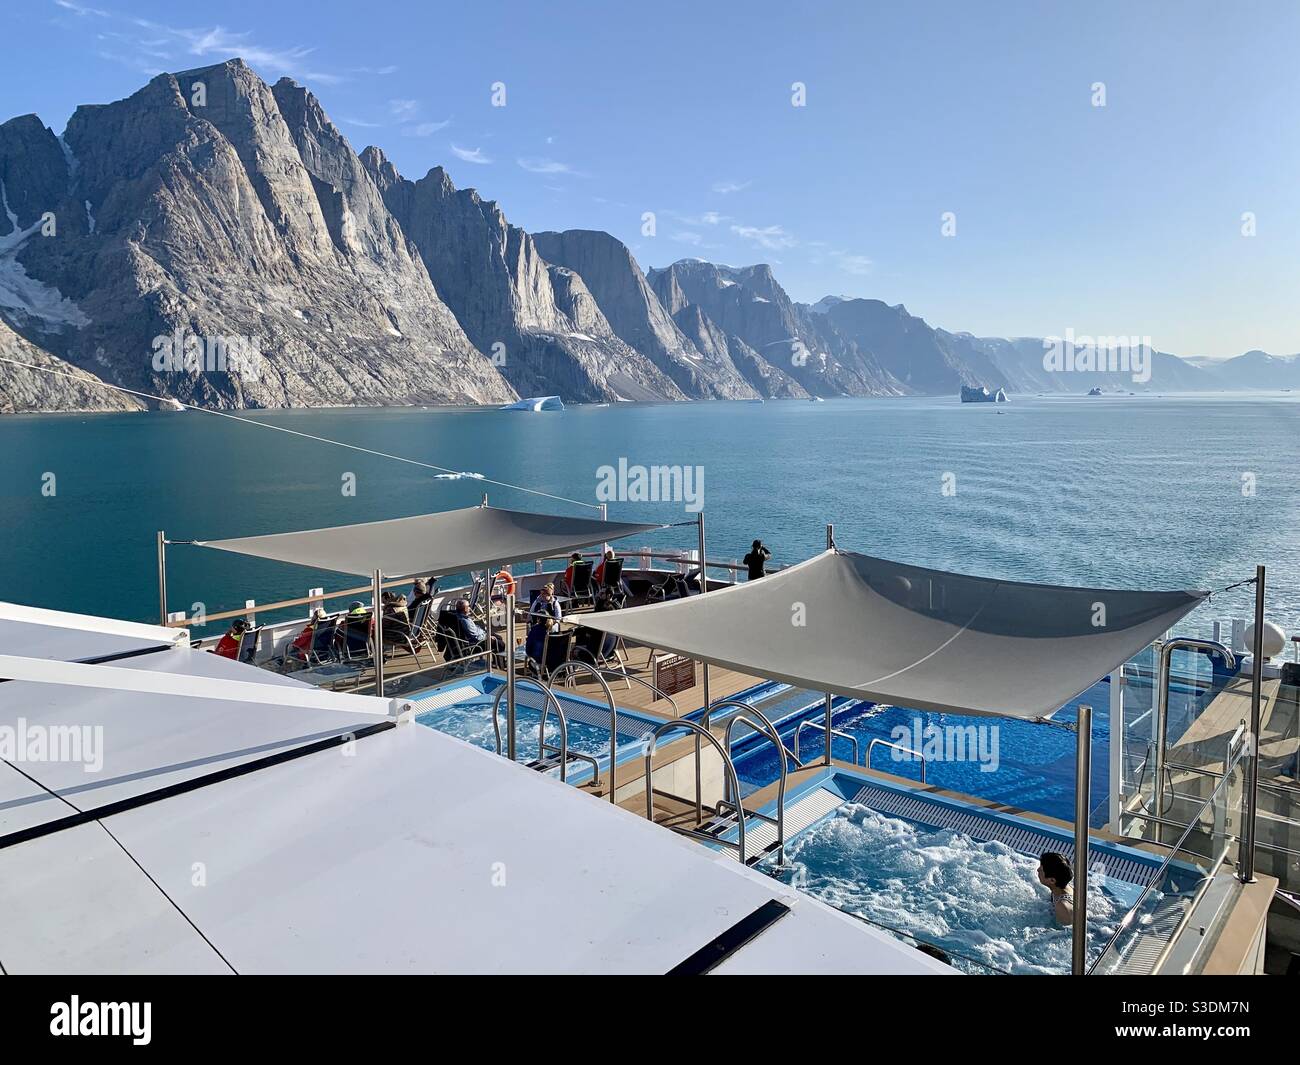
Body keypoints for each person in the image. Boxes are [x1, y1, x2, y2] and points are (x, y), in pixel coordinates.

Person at [526, 583, 563, 663]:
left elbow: (558, 618)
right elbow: (531, 613)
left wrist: (551, 624)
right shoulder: (537, 601)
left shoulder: (555, 603)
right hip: (538, 624)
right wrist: (529, 622)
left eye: (545, 594)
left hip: (550, 626)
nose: (543, 596)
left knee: (538, 638)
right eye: (542, 594)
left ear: (549, 594)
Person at [1037, 851, 1075, 925]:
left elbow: (1064, 933)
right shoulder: (1064, 886)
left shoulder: (1062, 906)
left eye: (1041, 869)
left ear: (1052, 880)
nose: (1037, 870)